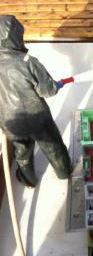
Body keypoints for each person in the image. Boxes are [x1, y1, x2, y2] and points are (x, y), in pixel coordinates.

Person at [0, 15, 72, 188]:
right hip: (37, 119)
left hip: (11, 122)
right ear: (16, 37)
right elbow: (47, 91)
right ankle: (64, 173)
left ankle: (29, 180)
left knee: (22, 153)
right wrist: (57, 84)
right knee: (53, 147)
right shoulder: (28, 62)